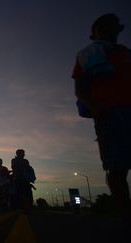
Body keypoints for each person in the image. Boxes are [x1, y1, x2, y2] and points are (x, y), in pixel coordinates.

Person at [72, 13, 131, 221]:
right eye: (102, 26)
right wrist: (95, 108)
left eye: (112, 25)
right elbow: (80, 87)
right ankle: (125, 216)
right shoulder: (87, 54)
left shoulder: (125, 53)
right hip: (108, 113)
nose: (108, 29)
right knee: (116, 167)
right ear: (94, 33)